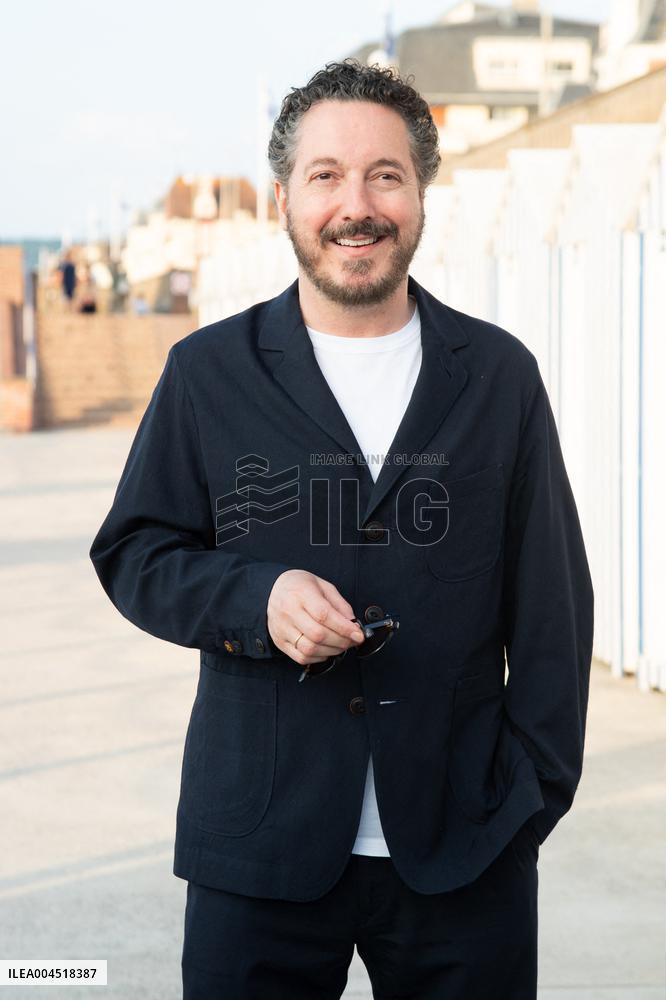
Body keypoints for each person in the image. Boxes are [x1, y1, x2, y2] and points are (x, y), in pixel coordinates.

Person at [89, 59, 594, 1000]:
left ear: (420, 193)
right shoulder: (206, 372)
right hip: (257, 850)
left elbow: (555, 611)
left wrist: (529, 801)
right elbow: (134, 553)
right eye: (326, 175)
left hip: (465, 850)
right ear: (284, 195)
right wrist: (256, 596)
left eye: (385, 175)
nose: (354, 205)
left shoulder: (499, 378)